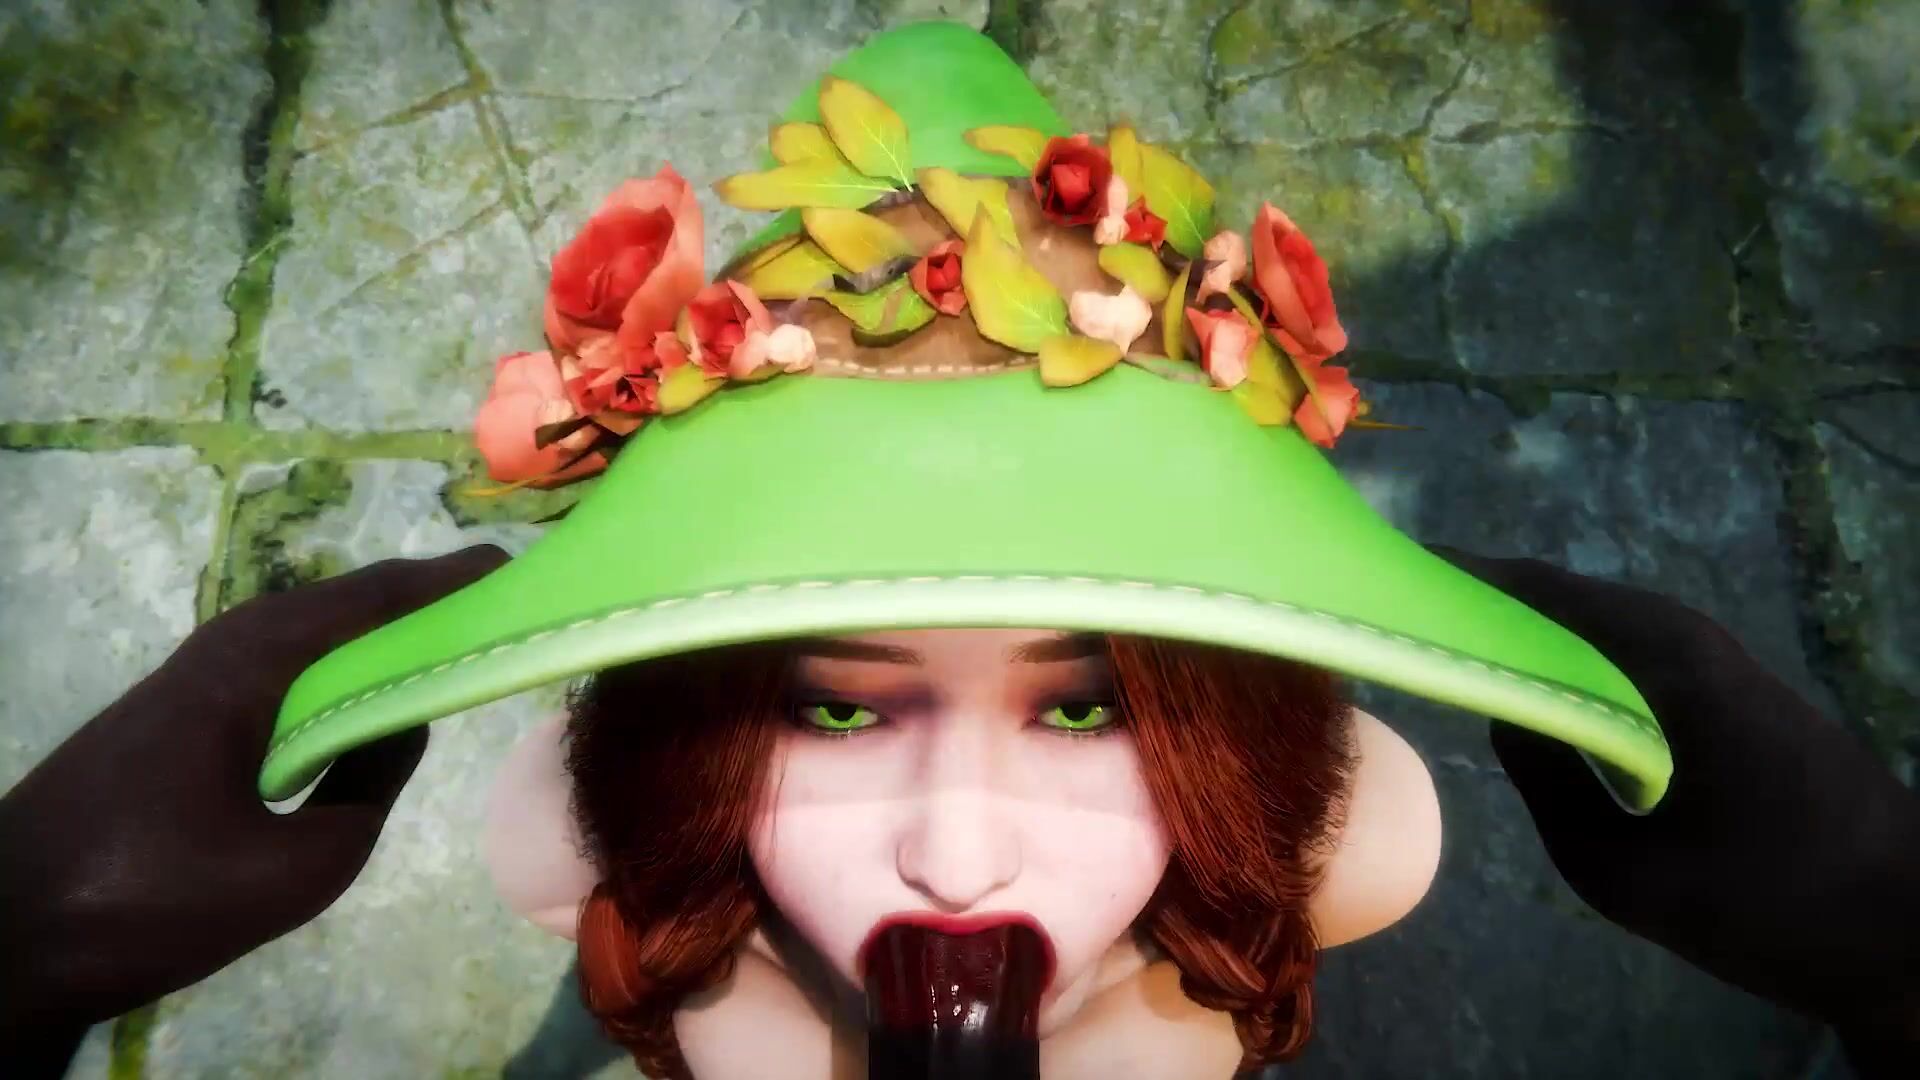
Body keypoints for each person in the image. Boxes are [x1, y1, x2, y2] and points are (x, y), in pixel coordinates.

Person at [3, 546, 1916, 1078]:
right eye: (837, 710)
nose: (959, 851)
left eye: (1087, 705)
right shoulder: (627, 889)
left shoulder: (1322, 869)